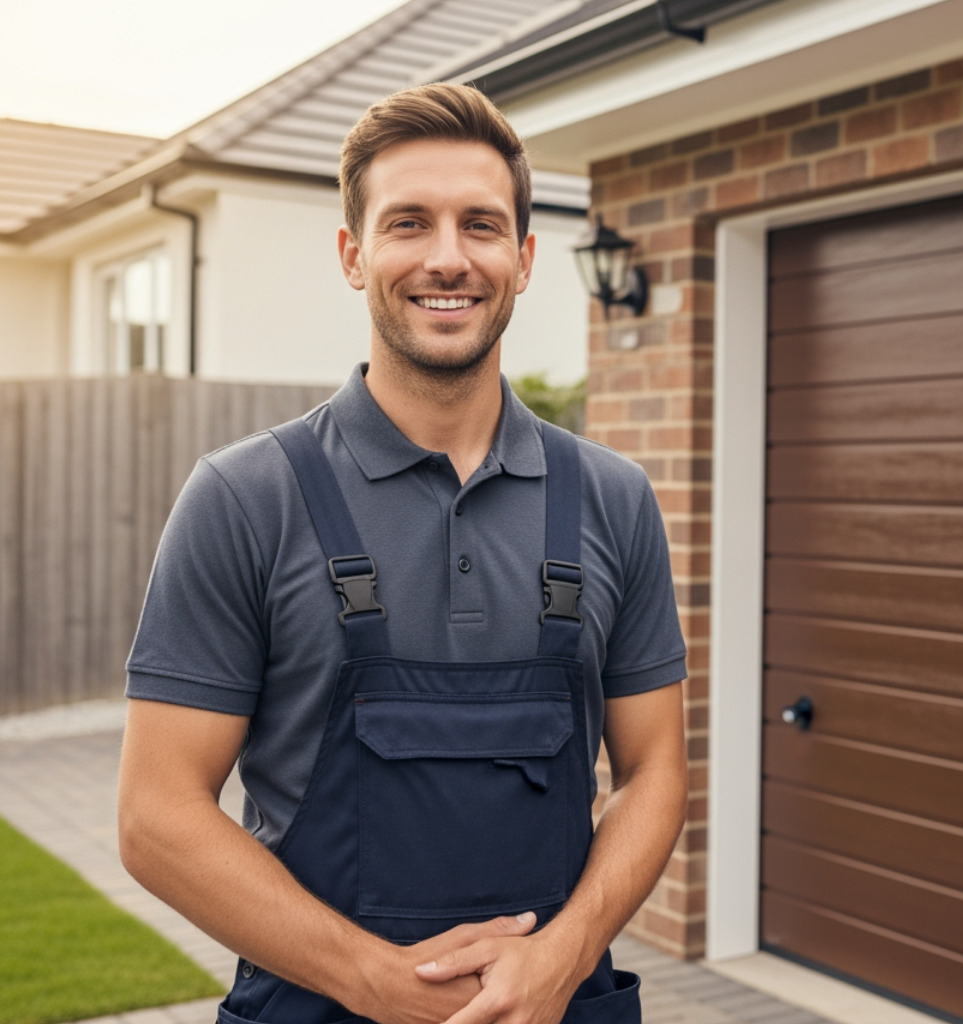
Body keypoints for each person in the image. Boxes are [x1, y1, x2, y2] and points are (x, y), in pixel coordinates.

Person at [117, 83, 687, 1024]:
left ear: (526, 258)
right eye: (409, 223)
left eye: (482, 225)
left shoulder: (613, 499)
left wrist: (560, 957)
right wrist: (375, 982)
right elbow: (156, 818)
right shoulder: (244, 497)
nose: (449, 258)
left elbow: (654, 771)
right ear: (354, 254)